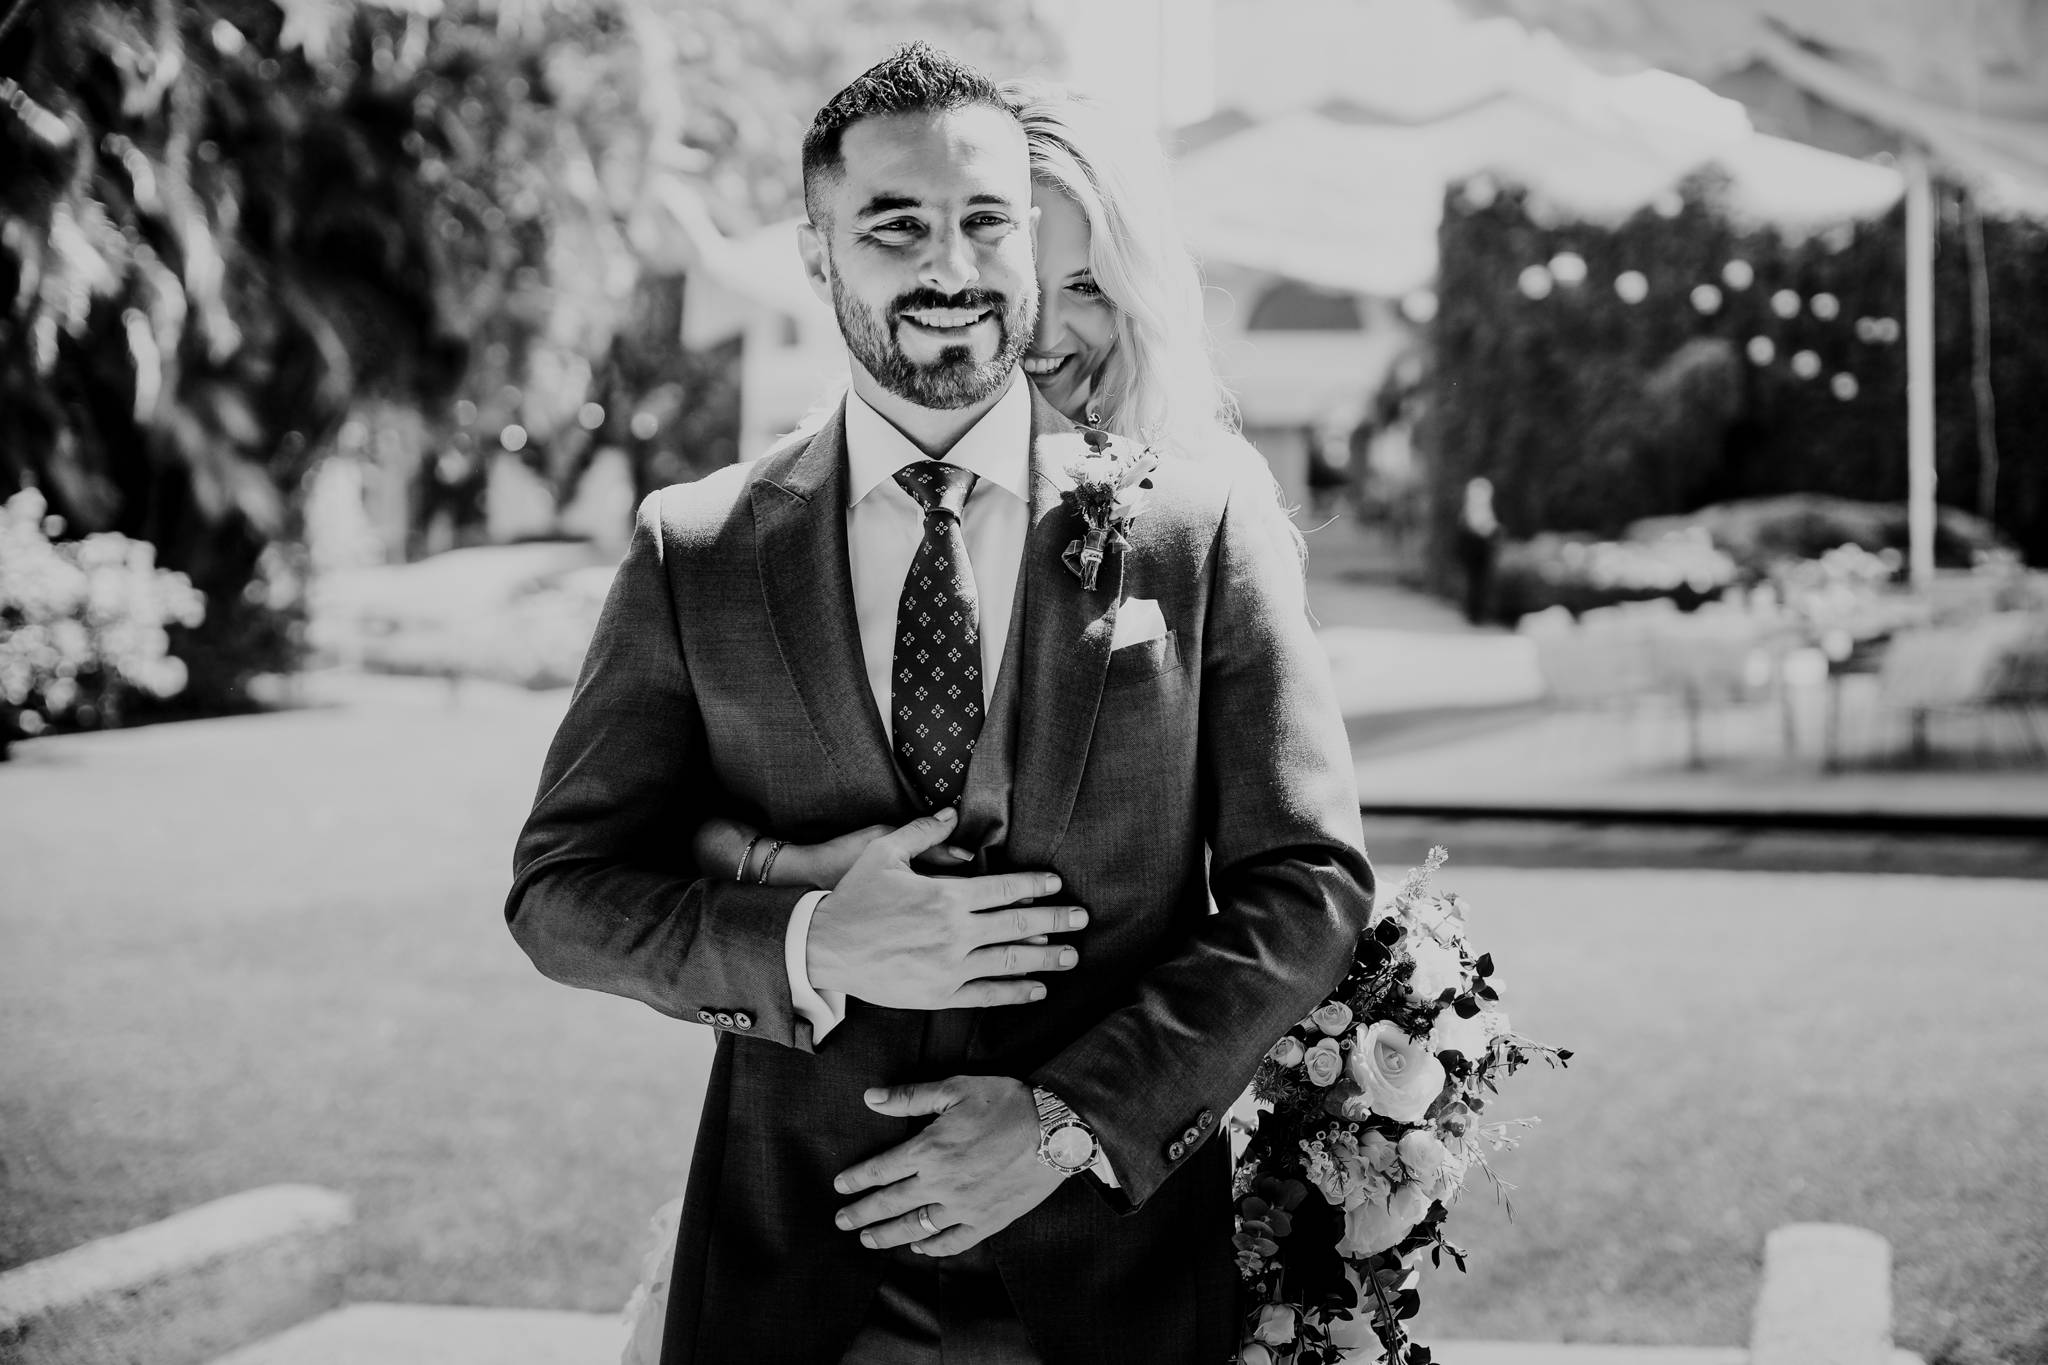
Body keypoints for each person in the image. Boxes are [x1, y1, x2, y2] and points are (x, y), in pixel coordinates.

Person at [507, 44, 1373, 1365]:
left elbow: (1306, 882)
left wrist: (1068, 1122)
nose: (951, 266)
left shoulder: (1196, 531)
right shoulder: (698, 548)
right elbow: (564, 892)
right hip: (791, 1288)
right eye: (895, 225)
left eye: (985, 223)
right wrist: (810, 943)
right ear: (818, 254)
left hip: (1116, 1288)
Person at [1455, 474, 1501, 624]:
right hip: (1475, 551)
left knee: (1479, 582)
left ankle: (1477, 612)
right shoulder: (1471, 512)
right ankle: (1474, 613)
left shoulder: (1476, 511)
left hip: (1480, 551)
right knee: (1475, 582)